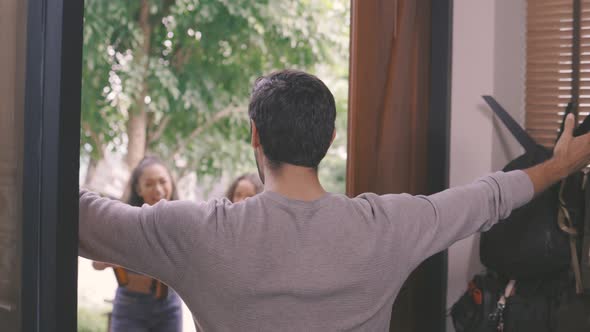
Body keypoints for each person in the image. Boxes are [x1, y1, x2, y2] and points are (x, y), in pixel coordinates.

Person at [79, 70, 590, 331]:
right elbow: (485, 199)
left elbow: (79, 215)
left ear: (254, 137)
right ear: (327, 141)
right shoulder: (386, 226)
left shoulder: (192, 234)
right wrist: (559, 166)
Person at [91, 156, 182, 332]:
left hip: (169, 304)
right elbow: (96, 263)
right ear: (138, 189)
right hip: (130, 305)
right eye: (149, 184)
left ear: (171, 183)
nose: (158, 189)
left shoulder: (181, 219)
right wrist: (113, 258)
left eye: (163, 181)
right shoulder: (124, 219)